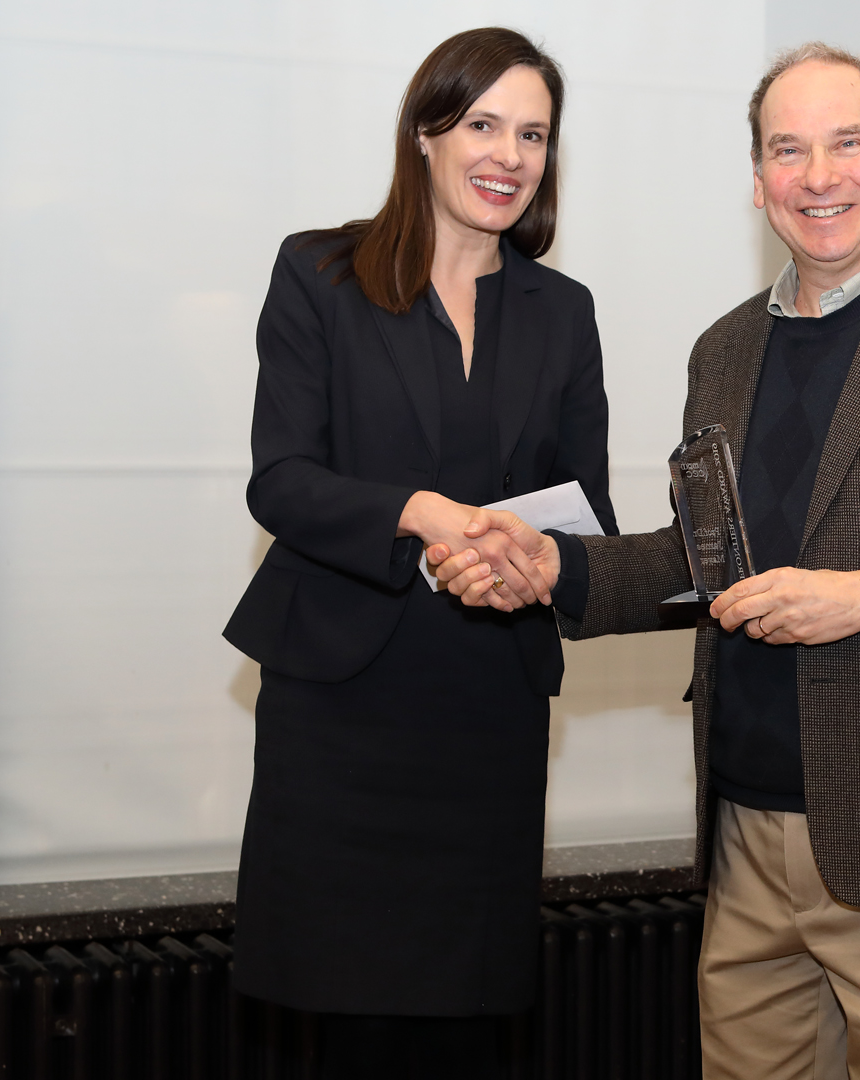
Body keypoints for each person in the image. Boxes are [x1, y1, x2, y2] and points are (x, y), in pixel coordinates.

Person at [438, 41, 860, 1079]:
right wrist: (558, 570)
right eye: (787, 151)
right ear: (758, 182)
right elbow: (709, 563)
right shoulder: (723, 350)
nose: (818, 177)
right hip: (747, 845)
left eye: (847, 143)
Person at [221, 27, 614, 1078]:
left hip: (487, 713)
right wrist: (424, 513)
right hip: (344, 716)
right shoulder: (320, 273)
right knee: (343, 1026)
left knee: (469, 1030)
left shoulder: (563, 312)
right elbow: (283, 479)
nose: (509, 154)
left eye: (533, 133)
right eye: (484, 123)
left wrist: (522, 557)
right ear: (426, 132)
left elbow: (590, 516)